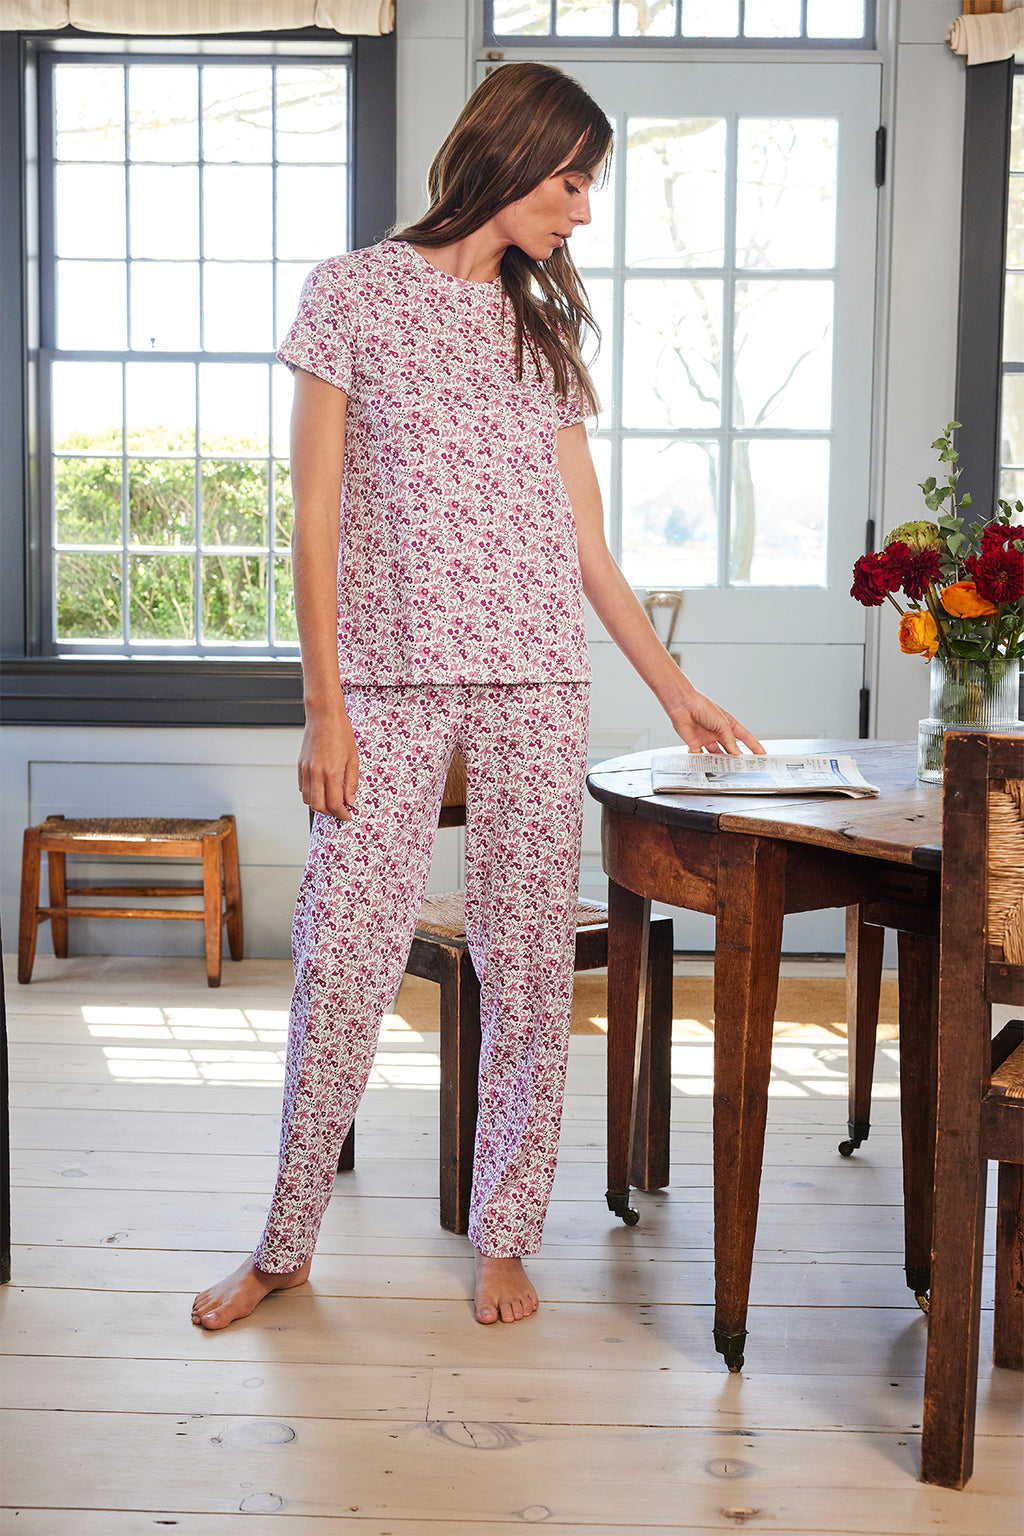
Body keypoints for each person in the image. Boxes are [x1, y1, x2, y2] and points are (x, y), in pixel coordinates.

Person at [192, 61, 763, 1333]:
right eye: (573, 183)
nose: (584, 212)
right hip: (387, 685)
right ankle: (283, 1243)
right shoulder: (351, 294)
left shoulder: (540, 331)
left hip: (536, 685)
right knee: (342, 957)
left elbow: (590, 553)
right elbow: (316, 516)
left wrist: (673, 690)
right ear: (509, 161)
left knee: (524, 965)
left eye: (591, 187)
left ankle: (506, 1233)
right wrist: (323, 704)